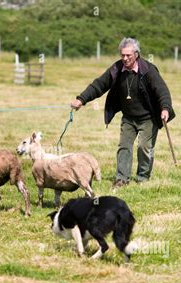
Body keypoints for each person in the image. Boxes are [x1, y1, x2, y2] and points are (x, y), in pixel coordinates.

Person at [71, 37, 175, 188]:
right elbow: (99, 84)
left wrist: (165, 108)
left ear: (137, 54)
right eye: (122, 55)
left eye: (128, 55)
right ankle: (121, 179)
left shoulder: (148, 70)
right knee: (124, 146)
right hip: (128, 117)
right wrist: (81, 99)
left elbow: (162, 91)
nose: (125, 59)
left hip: (148, 118)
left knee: (144, 147)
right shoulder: (117, 69)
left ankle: (143, 177)